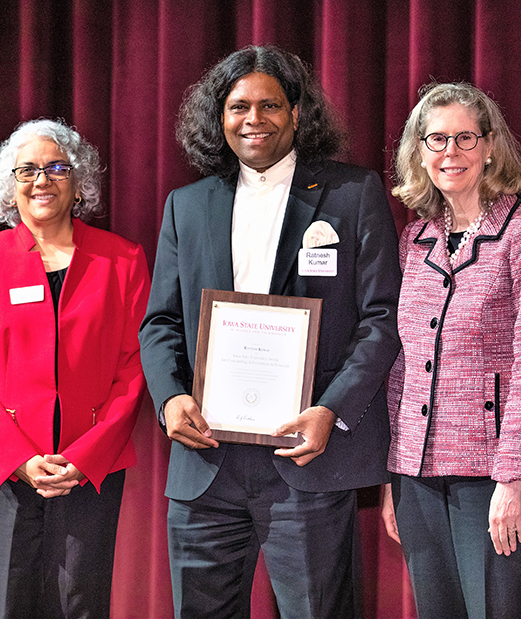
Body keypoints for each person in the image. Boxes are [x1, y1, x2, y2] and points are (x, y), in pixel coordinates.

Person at [138, 45, 400, 618]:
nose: (253, 119)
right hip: (206, 466)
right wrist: (171, 398)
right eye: (238, 107)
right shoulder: (186, 205)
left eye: (269, 105)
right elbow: (159, 322)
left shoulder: (351, 194)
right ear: (220, 116)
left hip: (307, 459)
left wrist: (332, 410)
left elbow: (382, 318)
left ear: (297, 114)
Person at [0, 119, 150, 618]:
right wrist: (19, 459)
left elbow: (135, 369)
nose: (42, 180)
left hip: (89, 470)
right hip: (2, 472)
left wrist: (86, 455)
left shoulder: (123, 260)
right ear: (9, 188)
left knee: (81, 604)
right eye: (27, 170)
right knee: (6, 607)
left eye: (57, 167)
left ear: (79, 182)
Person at [381, 82, 521, 619]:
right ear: (419, 151)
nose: (451, 153)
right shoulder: (414, 241)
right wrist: (396, 475)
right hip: (418, 475)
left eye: (465, 138)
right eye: (436, 140)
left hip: (497, 476)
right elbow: (402, 364)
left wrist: (512, 480)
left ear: (491, 146)